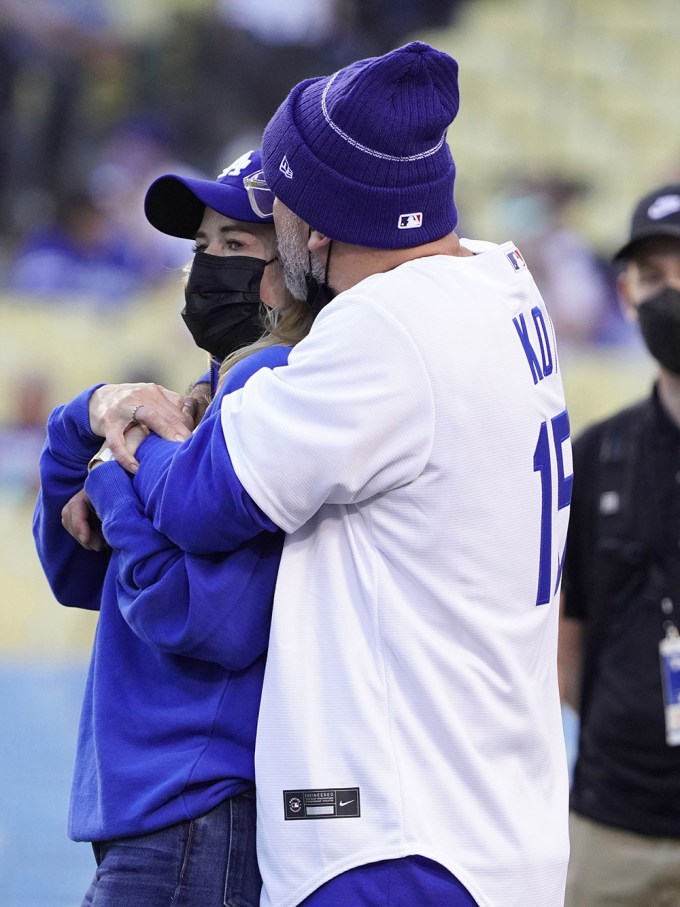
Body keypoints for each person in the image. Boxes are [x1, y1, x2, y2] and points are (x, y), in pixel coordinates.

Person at [82, 42, 572, 906]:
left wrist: (124, 443)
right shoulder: (500, 281)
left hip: (394, 838)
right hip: (489, 819)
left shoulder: (388, 327)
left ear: (318, 226)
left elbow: (199, 500)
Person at [33, 148, 314, 907]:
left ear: (293, 264)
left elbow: (209, 617)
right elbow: (74, 570)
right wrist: (87, 415)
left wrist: (112, 479)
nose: (206, 267)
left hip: (196, 809)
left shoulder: (274, 389)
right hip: (162, 815)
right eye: (199, 248)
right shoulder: (206, 399)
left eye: (234, 245)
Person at [559, 183, 680, 907]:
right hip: (611, 821)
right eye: (655, 278)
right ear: (628, 296)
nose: (672, 296)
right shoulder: (597, 455)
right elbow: (566, 647)